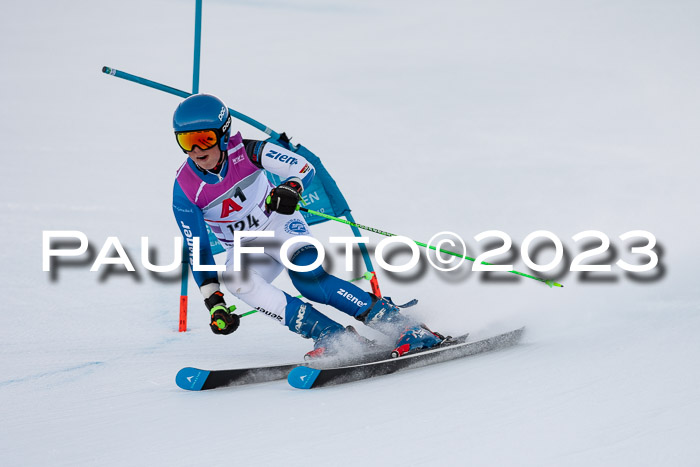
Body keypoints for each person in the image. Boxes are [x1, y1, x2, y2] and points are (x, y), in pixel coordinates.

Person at [172, 93, 443, 358]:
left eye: (204, 139)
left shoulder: (248, 151)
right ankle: (333, 336)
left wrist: (291, 187)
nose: (197, 150)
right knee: (237, 281)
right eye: (186, 141)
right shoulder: (185, 189)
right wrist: (214, 303)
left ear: (222, 134)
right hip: (244, 249)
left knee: (308, 277)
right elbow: (199, 250)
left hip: (278, 224)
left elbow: (301, 167)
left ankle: (404, 326)